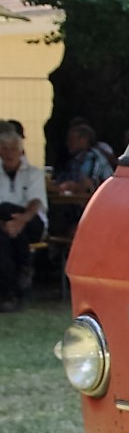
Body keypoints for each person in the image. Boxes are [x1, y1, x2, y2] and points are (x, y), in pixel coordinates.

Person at [0, 124, 48, 312]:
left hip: (31, 221)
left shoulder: (34, 173)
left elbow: (36, 202)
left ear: (20, 151)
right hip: (4, 225)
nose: (9, 153)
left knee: (5, 208)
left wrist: (20, 221)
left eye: (13, 149)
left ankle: (15, 285)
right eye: (4, 149)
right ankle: (13, 290)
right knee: (3, 240)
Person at [54, 122, 114, 196]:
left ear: (83, 140)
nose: (68, 143)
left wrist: (75, 186)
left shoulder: (95, 158)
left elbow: (91, 185)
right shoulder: (75, 159)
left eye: (71, 140)